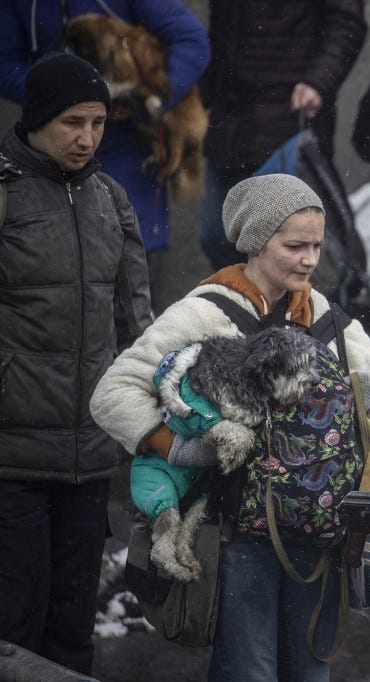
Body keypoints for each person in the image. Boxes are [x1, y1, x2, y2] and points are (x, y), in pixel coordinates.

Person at [90, 174, 370, 681]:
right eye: (294, 246)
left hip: (319, 536)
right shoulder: (204, 314)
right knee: (249, 671)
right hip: (235, 533)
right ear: (255, 240)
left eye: (316, 245)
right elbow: (112, 394)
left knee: (310, 673)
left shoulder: (335, 325)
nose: (310, 259)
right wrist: (181, 449)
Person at [0, 52, 151, 675]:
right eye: (71, 122)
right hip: (12, 459)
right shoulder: (7, 197)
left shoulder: (110, 200)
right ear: (36, 120)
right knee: (15, 629)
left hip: (90, 460)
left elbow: (139, 327)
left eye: (97, 123)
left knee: (71, 630)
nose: (87, 138)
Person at [0, 0, 210, 254]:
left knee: (130, 262)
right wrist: (56, 96)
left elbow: (191, 40)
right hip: (50, 156)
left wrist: (149, 101)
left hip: (127, 153)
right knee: (55, 263)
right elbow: (5, 63)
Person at [199, 0, 366, 271]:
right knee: (218, 237)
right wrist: (205, 97)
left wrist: (317, 81)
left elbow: (346, 23)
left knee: (289, 245)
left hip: (287, 122)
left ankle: (297, 307)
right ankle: (253, 308)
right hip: (229, 122)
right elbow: (219, 34)